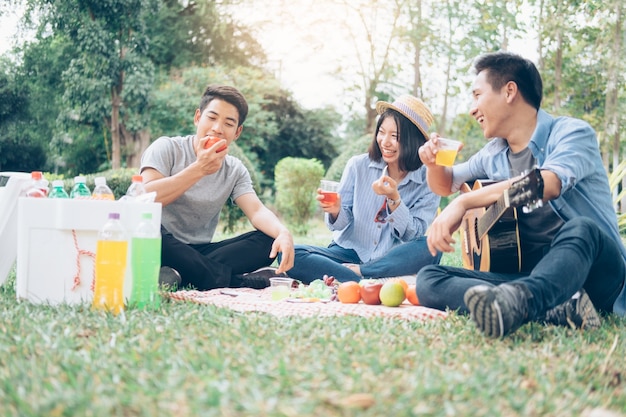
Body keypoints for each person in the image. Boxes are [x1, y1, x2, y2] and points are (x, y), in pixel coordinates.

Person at [416, 51, 626, 338]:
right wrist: (434, 162)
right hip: (534, 277)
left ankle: (522, 302)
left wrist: (464, 202)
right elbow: (446, 183)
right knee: (429, 279)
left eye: (477, 95)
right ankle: (553, 306)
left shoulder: (572, 133)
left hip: (597, 272)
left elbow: (547, 184)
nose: (472, 108)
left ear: (509, 91)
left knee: (582, 228)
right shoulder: (494, 153)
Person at [140, 84, 294, 290]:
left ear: (237, 132)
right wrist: (199, 169)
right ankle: (238, 281)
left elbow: (256, 211)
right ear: (197, 117)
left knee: (267, 239)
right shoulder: (166, 148)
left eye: (228, 123)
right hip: (160, 244)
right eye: (211, 118)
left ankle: (179, 273)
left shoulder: (235, 169)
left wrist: (283, 232)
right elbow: (143, 199)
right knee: (148, 229)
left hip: (202, 252)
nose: (217, 128)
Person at [286, 95, 442, 284]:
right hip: (347, 252)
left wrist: (394, 199)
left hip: (390, 259)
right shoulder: (357, 165)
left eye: (395, 136)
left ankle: (360, 274)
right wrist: (336, 211)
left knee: (432, 245)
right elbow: (341, 224)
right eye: (382, 132)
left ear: (414, 141)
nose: (385, 141)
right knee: (292, 254)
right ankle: (367, 279)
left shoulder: (429, 179)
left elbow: (413, 235)